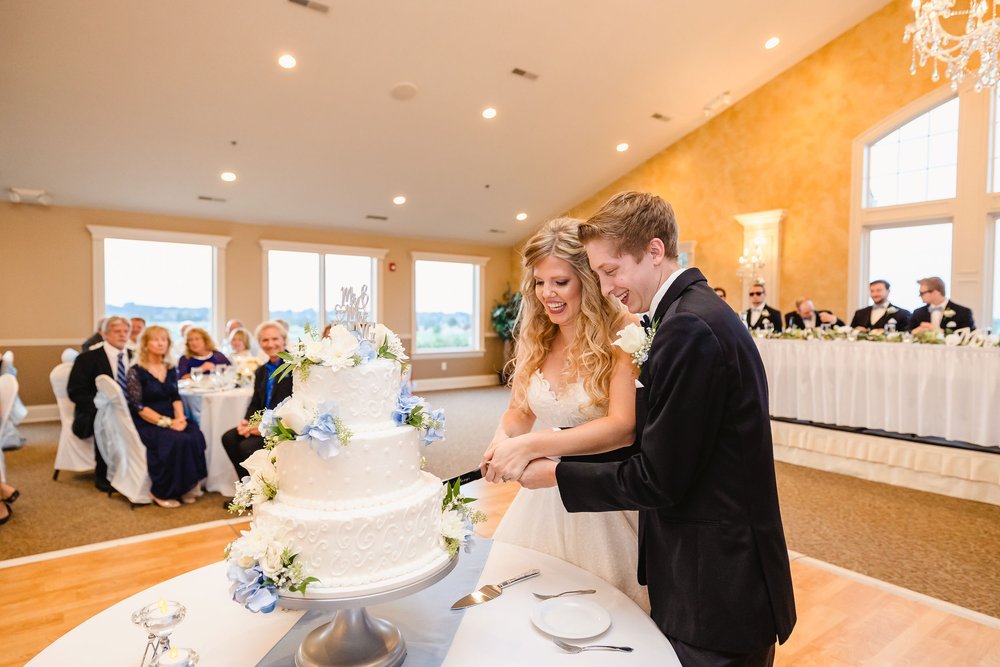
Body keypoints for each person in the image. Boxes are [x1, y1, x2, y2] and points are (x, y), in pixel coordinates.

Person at [517, 192, 796, 666]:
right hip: (708, 570)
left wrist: (555, 474)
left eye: (611, 271)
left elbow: (658, 478)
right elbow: (667, 444)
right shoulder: (686, 315)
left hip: (715, 582)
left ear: (654, 250)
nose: (606, 288)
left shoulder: (689, 327)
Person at [480, 218, 647, 610]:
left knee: (601, 610)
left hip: (603, 490)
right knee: (526, 602)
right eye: (539, 282)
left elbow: (622, 428)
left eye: (560, 282)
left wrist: (534, 443)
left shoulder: (624, 334)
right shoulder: (536, 335)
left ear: (587, 282)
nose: (547, 294)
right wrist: (501, 440)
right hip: (545, 492)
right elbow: (519, 411)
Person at [126, 326, 207, 508]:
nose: (161, 343)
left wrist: (180, 419)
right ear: (145, 345)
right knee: (174, 440)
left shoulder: (170, 368)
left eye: (164, 339)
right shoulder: (135, 371)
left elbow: (175, 397)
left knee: (194, 435)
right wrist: (168, 423)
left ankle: (186, 486)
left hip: (171, 416)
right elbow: (138, 406)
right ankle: (160, 491)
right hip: (147, 420)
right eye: (156, 339)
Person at [67, 316, 133, 492]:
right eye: (117, 331)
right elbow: (76, 391)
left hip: (132, 409)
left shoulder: (135, 357)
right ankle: (104, 474)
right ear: (104, 334)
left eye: (126, 331)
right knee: (108, 422)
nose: (122, 335)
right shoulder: (87, 359)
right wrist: (104, 407)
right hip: (97, 411)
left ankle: (138, 472)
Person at [221, 322, 293, 480]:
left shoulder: (294, 367)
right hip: (261, 424)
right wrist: (246, 421)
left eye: (275, 339)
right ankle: (247, 488)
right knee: (229, 438)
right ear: (260, 343)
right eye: (265, 340)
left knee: (246, 446)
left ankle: (263, 487)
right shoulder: (261, 371)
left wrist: (263, 427)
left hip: (283, 426)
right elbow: (255, 402)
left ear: (284, 340)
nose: (270, 344)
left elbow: (292, 406)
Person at [910, 276, 976, 332]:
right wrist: (915, 331)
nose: (920, 296)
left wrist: (940, 331)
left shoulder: (963, 312)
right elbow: (907, 332)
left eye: (922, 293)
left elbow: (969, 335)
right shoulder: (918, 313)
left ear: (936, 292)